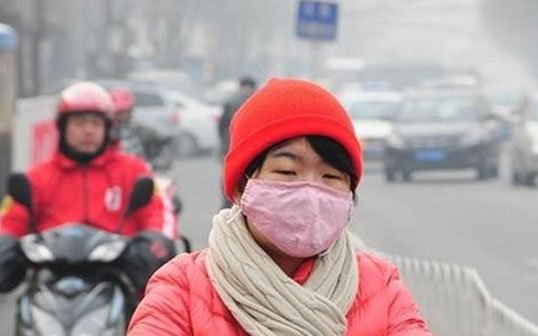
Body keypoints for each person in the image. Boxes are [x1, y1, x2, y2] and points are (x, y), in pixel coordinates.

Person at [127, 78, 431, 335]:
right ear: (240, 187)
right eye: (287, 172)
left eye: (331, 176)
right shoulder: (182, 290)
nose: (310, 193)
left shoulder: (381, 288)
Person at [0, 82, 177, 293]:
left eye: (96, 123)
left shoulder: (134, 171)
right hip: (50, 285)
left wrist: (154, 242)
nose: (88, 131)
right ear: (63, 127)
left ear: (107, 128)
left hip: (117, 282)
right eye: (79, 123)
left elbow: (159, 214)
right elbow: (8, 222)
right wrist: (6, 244)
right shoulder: (37, 177)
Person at [217, 76, 257, 209]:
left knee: (230, 174)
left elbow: (222, 125)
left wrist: (223, 142)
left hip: (231, 144)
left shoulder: (230, 100)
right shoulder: (258, 99)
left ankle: (229, 202)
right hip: (252, 144)